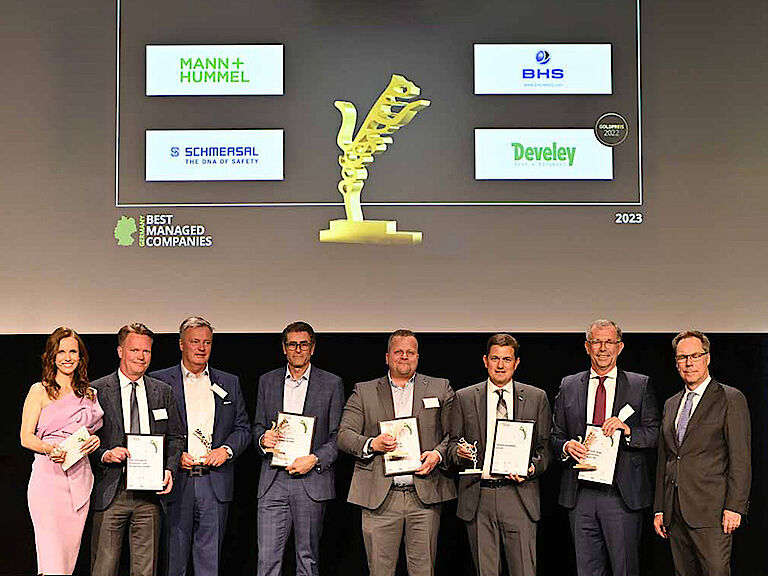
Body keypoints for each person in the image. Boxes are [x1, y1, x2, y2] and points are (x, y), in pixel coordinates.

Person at [337, 329, 456, 576]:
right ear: (387, 357)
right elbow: (344, 435)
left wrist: (437, 454)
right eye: (398, 352)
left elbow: (453, 434)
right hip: (379, 498)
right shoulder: (364, 390)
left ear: (417, 357)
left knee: (423, 571)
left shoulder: (440, 387)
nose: (404, 356)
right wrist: (373, 444)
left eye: (410, 352)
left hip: (423, 497)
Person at [551, 319, 660, 576]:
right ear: (587, 346)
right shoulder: (569, 385)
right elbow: (555, 436)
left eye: (609, 342)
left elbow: (655, 434)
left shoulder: (639, 385)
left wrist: (628, 430)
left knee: (625, 569)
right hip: (580, 494)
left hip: (620, 494)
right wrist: (566, 447)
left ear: (619, 347)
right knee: (586, 570)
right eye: (597, 342)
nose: (603, 348)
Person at [150, 317, 251, 576]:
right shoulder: (160, 381)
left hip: (214, 483)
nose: (201, 348)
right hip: (177, 481)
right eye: (195, 341)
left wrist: (225, 451)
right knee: (174, 561)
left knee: (209, 563)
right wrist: (172, 456)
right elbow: (150, 430)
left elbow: (243, 428)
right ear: (181, 344)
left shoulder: (229, 382)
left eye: (207, 342)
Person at [448, 334, 551, 576]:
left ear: (516, 363)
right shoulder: (464, 397)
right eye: (495, 358)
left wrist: (531, 468)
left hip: (519, 495)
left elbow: (545, 449)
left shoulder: (536, 397)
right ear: (485, 361)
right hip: (479, 496)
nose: (500, 365)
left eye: (507, 359)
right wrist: (459, 452)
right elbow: (451, 445)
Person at [89, 323, 184, 576]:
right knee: (104, 568)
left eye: (146, 351)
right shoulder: (97, 390)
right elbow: (85, 439)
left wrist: (169, 469)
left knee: (145, 570)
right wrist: (105, 454)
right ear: (120, 351)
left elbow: (176, 437)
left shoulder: (162, 391)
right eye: (134, 350)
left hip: (149, 495)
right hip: (111, 490)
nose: (141, 356)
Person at [653, 330, 751, 576]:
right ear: (676, 363)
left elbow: (740, 458)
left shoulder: (730, 398)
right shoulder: (671, 404)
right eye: (682, 357)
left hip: (712, 513)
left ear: (707, 358)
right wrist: (660, 508)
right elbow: (665, 459)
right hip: (675, 513)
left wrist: (735, 507)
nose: (689, 363)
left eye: (695, 356)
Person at [252, 321, 344, 576]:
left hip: (311, 480)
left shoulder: (331, 383)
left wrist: (314, 459)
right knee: (266, 560)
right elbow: (257, 426)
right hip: (273, 481)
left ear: (312, 348)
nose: (298, 349)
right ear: (284, 348)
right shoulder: (267, 381)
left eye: (304, 344)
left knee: (307, 559)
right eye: (292, 344)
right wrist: (263, 439)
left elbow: (338, 436)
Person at [20, 327, 104, 575]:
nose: (67, 357)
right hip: (48, 481)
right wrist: (48, 448)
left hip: (79, 480)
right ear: (52, 356)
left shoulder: (89, 394)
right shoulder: (40, 390)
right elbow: (25, 437)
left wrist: (94, 441)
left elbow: (91, 432)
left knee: (67, 561)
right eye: (61, 352)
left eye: (73, 352)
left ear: (80, 356)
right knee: (51, 559)